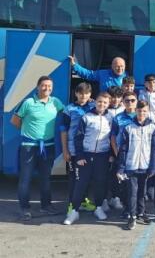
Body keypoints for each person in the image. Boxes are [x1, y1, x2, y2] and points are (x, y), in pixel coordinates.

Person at [12, 76, 64, 220]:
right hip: (29, 147)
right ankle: (24, 208)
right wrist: (29, 133)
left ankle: (46, 206)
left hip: (48, 147)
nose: (47, 88)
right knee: (25, 179)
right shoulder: (28, 103)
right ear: (37, 87)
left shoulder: (56, 102)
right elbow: (15, 121)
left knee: (46, 178)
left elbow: (67, 112)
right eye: (44, 86)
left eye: (49, 86)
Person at [63, 92, 113, 225]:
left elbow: (112, 138)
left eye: (105, 102)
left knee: (100, 183)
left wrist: (111, 155)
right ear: (95, 102)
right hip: (86, 156)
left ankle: (98, 208)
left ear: (109, 104)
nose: (102, 104)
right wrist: (79, 156)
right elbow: (78, 137)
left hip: (102, 156)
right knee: (80, 184)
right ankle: (74, 211)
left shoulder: (110, 117)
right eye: (100, 101)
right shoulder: (87, 117)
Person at [116, 100, 155, 230]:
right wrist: (121, 168)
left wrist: (152, 167)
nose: (142, 113)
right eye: (139, 111)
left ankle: (141, 212)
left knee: (142, 192)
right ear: (136, 111)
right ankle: (132, 216)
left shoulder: (153, 128)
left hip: (145, 166)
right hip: (131, 166)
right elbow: (123, 149)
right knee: (132, 192)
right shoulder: (128, 127)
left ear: (148, 112)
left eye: (144, 111)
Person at [60, 82, 96, 214]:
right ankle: (72, 204)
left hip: (89, 149)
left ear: (90, 94)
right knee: (74, 178)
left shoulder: (93, 106)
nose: (83, 96)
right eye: (80, 93)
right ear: (76, 93)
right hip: (73, 149)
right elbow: (63, 130)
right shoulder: (68, 109)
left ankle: (83, 201)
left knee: (86, 177)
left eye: (86, 93)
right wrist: (65, 150)